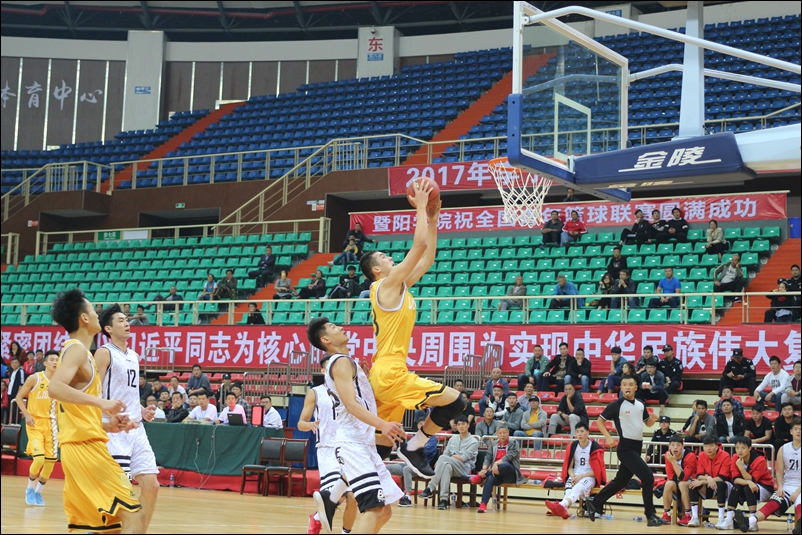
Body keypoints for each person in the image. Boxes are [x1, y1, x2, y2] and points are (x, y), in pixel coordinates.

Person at [364, 202, 467, 480]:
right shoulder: (384, 286)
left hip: (385, 373)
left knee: (381, 447)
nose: (389, 257)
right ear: (376, 270)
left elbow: (427, 259)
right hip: (390, 374)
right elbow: (418, 245)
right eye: (383, 256)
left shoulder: (397, 287)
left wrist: (433, 220)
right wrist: (421, 205)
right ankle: (414, 446)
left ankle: (336, 492)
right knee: (456, 402)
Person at [47, 289, 144, 532]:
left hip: (82, 444)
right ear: (84, 318)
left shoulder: (83, 354)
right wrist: (102, 403)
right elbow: (54, 388)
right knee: (132, 514)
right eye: (92, 309)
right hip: (84, 448)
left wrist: (110, 425)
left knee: (107, 525)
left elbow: (74, 411)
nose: (97, 314)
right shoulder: (77, 350)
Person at [308, 318, 405, 534]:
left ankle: (330, 499)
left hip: (364, 442)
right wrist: (383, 424)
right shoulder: (340, 362)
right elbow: (351, 405)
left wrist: (364, 378)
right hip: (352, 443)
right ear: (326, 340)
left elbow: (359, 399)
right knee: (374, 507)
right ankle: (330, 499)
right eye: (334, 327)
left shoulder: (346, 362)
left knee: (385, 511)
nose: (341, 328)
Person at [94, 304, 159, 532]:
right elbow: (94, 392)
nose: (127, 323)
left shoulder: (134, 355)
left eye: (127, 319)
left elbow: (128, 392)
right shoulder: (104, 353)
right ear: (108, 329)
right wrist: (107, 416)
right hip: (116, 428)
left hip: (136, 428)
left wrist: (140, 409)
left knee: (151, 486)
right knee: (119, 491)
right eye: (120, 320)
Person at [585, 375, 665, 526]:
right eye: (624, 384)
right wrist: (608, 437)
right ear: (621, 387)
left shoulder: (640, 404)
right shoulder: (617, 405)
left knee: (621, 481)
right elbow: (599, 421)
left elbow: (647, 423)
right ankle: (650, 516)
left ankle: (594, 502)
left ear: (636, 387)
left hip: (637, 447)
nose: (627, 387)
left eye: (630, 384)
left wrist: (653, 420)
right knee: (648, 477)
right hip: (625, 448)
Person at [299, 354, 358, 533]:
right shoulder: (315, 392)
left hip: (348, 447)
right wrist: (310, 425)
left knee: (353, 497)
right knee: (338, 493)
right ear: (323, 370)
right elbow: (301, 423)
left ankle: (331, 525)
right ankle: (317, 518)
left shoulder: (351, 390)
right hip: (327, 448)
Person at [733, 417, 801, 534]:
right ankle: (749, 521)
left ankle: (800, 524)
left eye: (800, 429)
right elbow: (779, 472)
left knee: (800, 501)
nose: (798, 431)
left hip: (800, 486)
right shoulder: (783, 449)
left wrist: (797, 492)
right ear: (791, 431)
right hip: (787, 485)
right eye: (796, 429)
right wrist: (780, 487)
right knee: (773, 503)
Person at [15, 350, 59, 506]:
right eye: (52, 359)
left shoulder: (60, 382)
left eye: (57, 360)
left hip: (52, 425)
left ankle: (39, 492)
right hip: (34, 423)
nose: (55, 362)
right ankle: (29, 488)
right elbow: (19, 397)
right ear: (45, 363)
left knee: (50, 463)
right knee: (39, 458)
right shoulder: (35, 378)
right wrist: (26, 414)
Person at [545, 421, 607, 520]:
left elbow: (597, 471)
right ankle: (563, 510)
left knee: (576, 489)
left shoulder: (595, 448)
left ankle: (559, 506)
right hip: (575, 474)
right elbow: (569, 467)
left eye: (582, 431)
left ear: (587, 433)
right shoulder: (573, 446)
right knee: (568, 491)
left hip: (589, 476)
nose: (579, 434)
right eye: (577, 432)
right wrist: (572, 476)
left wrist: (581, 477)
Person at [419, 416, 478, 510]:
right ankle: (444, 500)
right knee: (446, 466)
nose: (461, 426)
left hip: (464, 468)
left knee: (443, 459)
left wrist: (446, 459)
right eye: (459, 424)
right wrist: (446, 459)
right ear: (456, 427)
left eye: (463, 424)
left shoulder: (474, 441)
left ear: (468, 425)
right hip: (451, 465)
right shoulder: (452, 439)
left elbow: (463, 458)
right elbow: (446, 453)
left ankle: (430, 488)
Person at [719, 436, 774, 531]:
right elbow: (735, 479)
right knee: (736, 487)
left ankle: (753, 522)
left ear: (749, 448)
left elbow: (753, 479)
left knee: (747, 488)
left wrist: (741, 468)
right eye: (737, 448)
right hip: (746, 484)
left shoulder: (760, 460)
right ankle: (729, 520)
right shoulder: (735, 457)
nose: (739, 451)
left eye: (743, 448)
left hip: (764, 486)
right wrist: (748, 482)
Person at [471, 423, 528, 514]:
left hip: (510, 474)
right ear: (497, 434)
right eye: (500, 433)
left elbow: (509, 456)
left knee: (505, 465)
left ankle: (481, 476)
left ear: (508, 433)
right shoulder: (493, 444)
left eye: (504, 432)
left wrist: (496, 464)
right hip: (496, 473)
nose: (502, 435)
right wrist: (484, 469)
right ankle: (483, 504)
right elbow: (488, 457)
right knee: (490, 478)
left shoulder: (514, 443)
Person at [683, 436, 733, 527]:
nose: (708, 448)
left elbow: (722, 477)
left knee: (720, 484)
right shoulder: (701, 455)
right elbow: (699, 475)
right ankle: (695, 517)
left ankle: (721, 518)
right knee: (693, 484)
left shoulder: (725, 455)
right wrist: (708, 478)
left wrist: (704, 481)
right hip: (709, 485)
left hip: (725, 485)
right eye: (706, 446)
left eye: (711, 446)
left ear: (716, 447)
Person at [661, 435, 697, 524]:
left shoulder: (690, 456)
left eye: (678, 445)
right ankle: (667, 514)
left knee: (682, 484)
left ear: (682, 447)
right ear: (669, 447)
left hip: (692, 483)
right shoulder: (668, 455)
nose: (675, 447)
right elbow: (670, 475)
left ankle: (688, 514)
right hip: (678, 482)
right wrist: (679, 476)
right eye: (672, 445)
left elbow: (684, 478)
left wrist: (673, 462)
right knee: (668, 483)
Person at [8, 356, 26, 423]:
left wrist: (18, 395)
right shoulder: (12, 371)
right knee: (11, 410)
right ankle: (11, 423)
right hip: (10, 393)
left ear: (19, 363)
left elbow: (21, 384)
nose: (14, 364)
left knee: (16, 411)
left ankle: (17, 424)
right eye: (12, 363)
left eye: (16, 363)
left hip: (16, 394)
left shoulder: (20, 371)